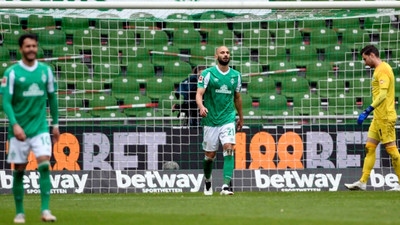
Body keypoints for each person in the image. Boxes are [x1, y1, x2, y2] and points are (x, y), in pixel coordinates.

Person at [2, 33, 59, 223]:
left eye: (34, 46)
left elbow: (52, 97)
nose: (31, 49)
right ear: (21, 49)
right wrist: (15, 124)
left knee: (44, 164)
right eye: (27, 46)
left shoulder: (46, 71)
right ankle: (20, 212)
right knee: (19, 170)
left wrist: (56, 123)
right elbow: (6, 102)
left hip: (40, 128)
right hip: (18, 131)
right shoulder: (11, 73)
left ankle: (45, 210)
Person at [345, 45, 400, 191]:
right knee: (369, 147)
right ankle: (362, 182)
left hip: (385, 117)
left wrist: (367, 110)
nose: (365, 62)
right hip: (378, 118)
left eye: (365, 59)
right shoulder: (379, 70)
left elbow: (382, 95)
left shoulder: (382, 70)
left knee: (392, 151)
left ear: (372, 55)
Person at [196, 46, 243, 195]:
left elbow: (237, 98)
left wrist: (241, 116)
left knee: (229, 148)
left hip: (228, 118)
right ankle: (208, 180)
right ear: (216, 56)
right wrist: (201, 106)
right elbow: (199, 93)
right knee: (210, 156)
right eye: (222, 52)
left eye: (227, 52)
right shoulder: (207, 74)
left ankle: (225, 186)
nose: (225, 55)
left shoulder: (236, 75)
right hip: (210, 119)